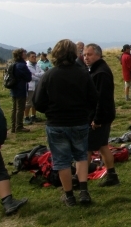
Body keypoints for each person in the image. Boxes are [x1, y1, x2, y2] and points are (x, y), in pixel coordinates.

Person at [33, 39, 99, 206]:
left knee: (61, 161)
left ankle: (69, 196)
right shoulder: (83, 74)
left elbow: (38, 103)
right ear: (74, 53)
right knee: (81, 156)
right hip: (79, 121)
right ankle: (84, 191)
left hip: (56, 123)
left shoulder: (49, 75)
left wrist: (50, 110)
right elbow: (94, 99)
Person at [83, 43, 119, 187]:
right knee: (103, 146)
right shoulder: (95, 70)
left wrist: (96, 119)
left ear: (98, 55)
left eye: (89, 54)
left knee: (86, 149)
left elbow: (102, 98)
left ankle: (80, 180)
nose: (86, 57)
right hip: (102, 115)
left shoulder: (101, 73)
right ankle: (112, 176)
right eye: (85, 55)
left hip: (99, 117)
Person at [9, 48, 32, 133]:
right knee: (20, 108)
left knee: (14, 108)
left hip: (13, 88)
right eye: (24, 53)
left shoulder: (13, 64)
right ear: (20, 55)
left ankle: (13, 127)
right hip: (21, 88)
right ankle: (19, 126)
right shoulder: (22, 65)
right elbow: (28, 77)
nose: (26, 55)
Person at [23, 51, 44, 125]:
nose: (34, 58)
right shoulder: (26, 65)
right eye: (32, 57)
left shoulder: (37, 65)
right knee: (28, 102)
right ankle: (26, 117)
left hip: (37, 86)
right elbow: (30, 77)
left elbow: (43, 73)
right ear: (28, 58)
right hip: (30, 86)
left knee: (35, 102)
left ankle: (33, 116)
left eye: (35, 56)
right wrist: (38, 76)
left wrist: (35, 74)